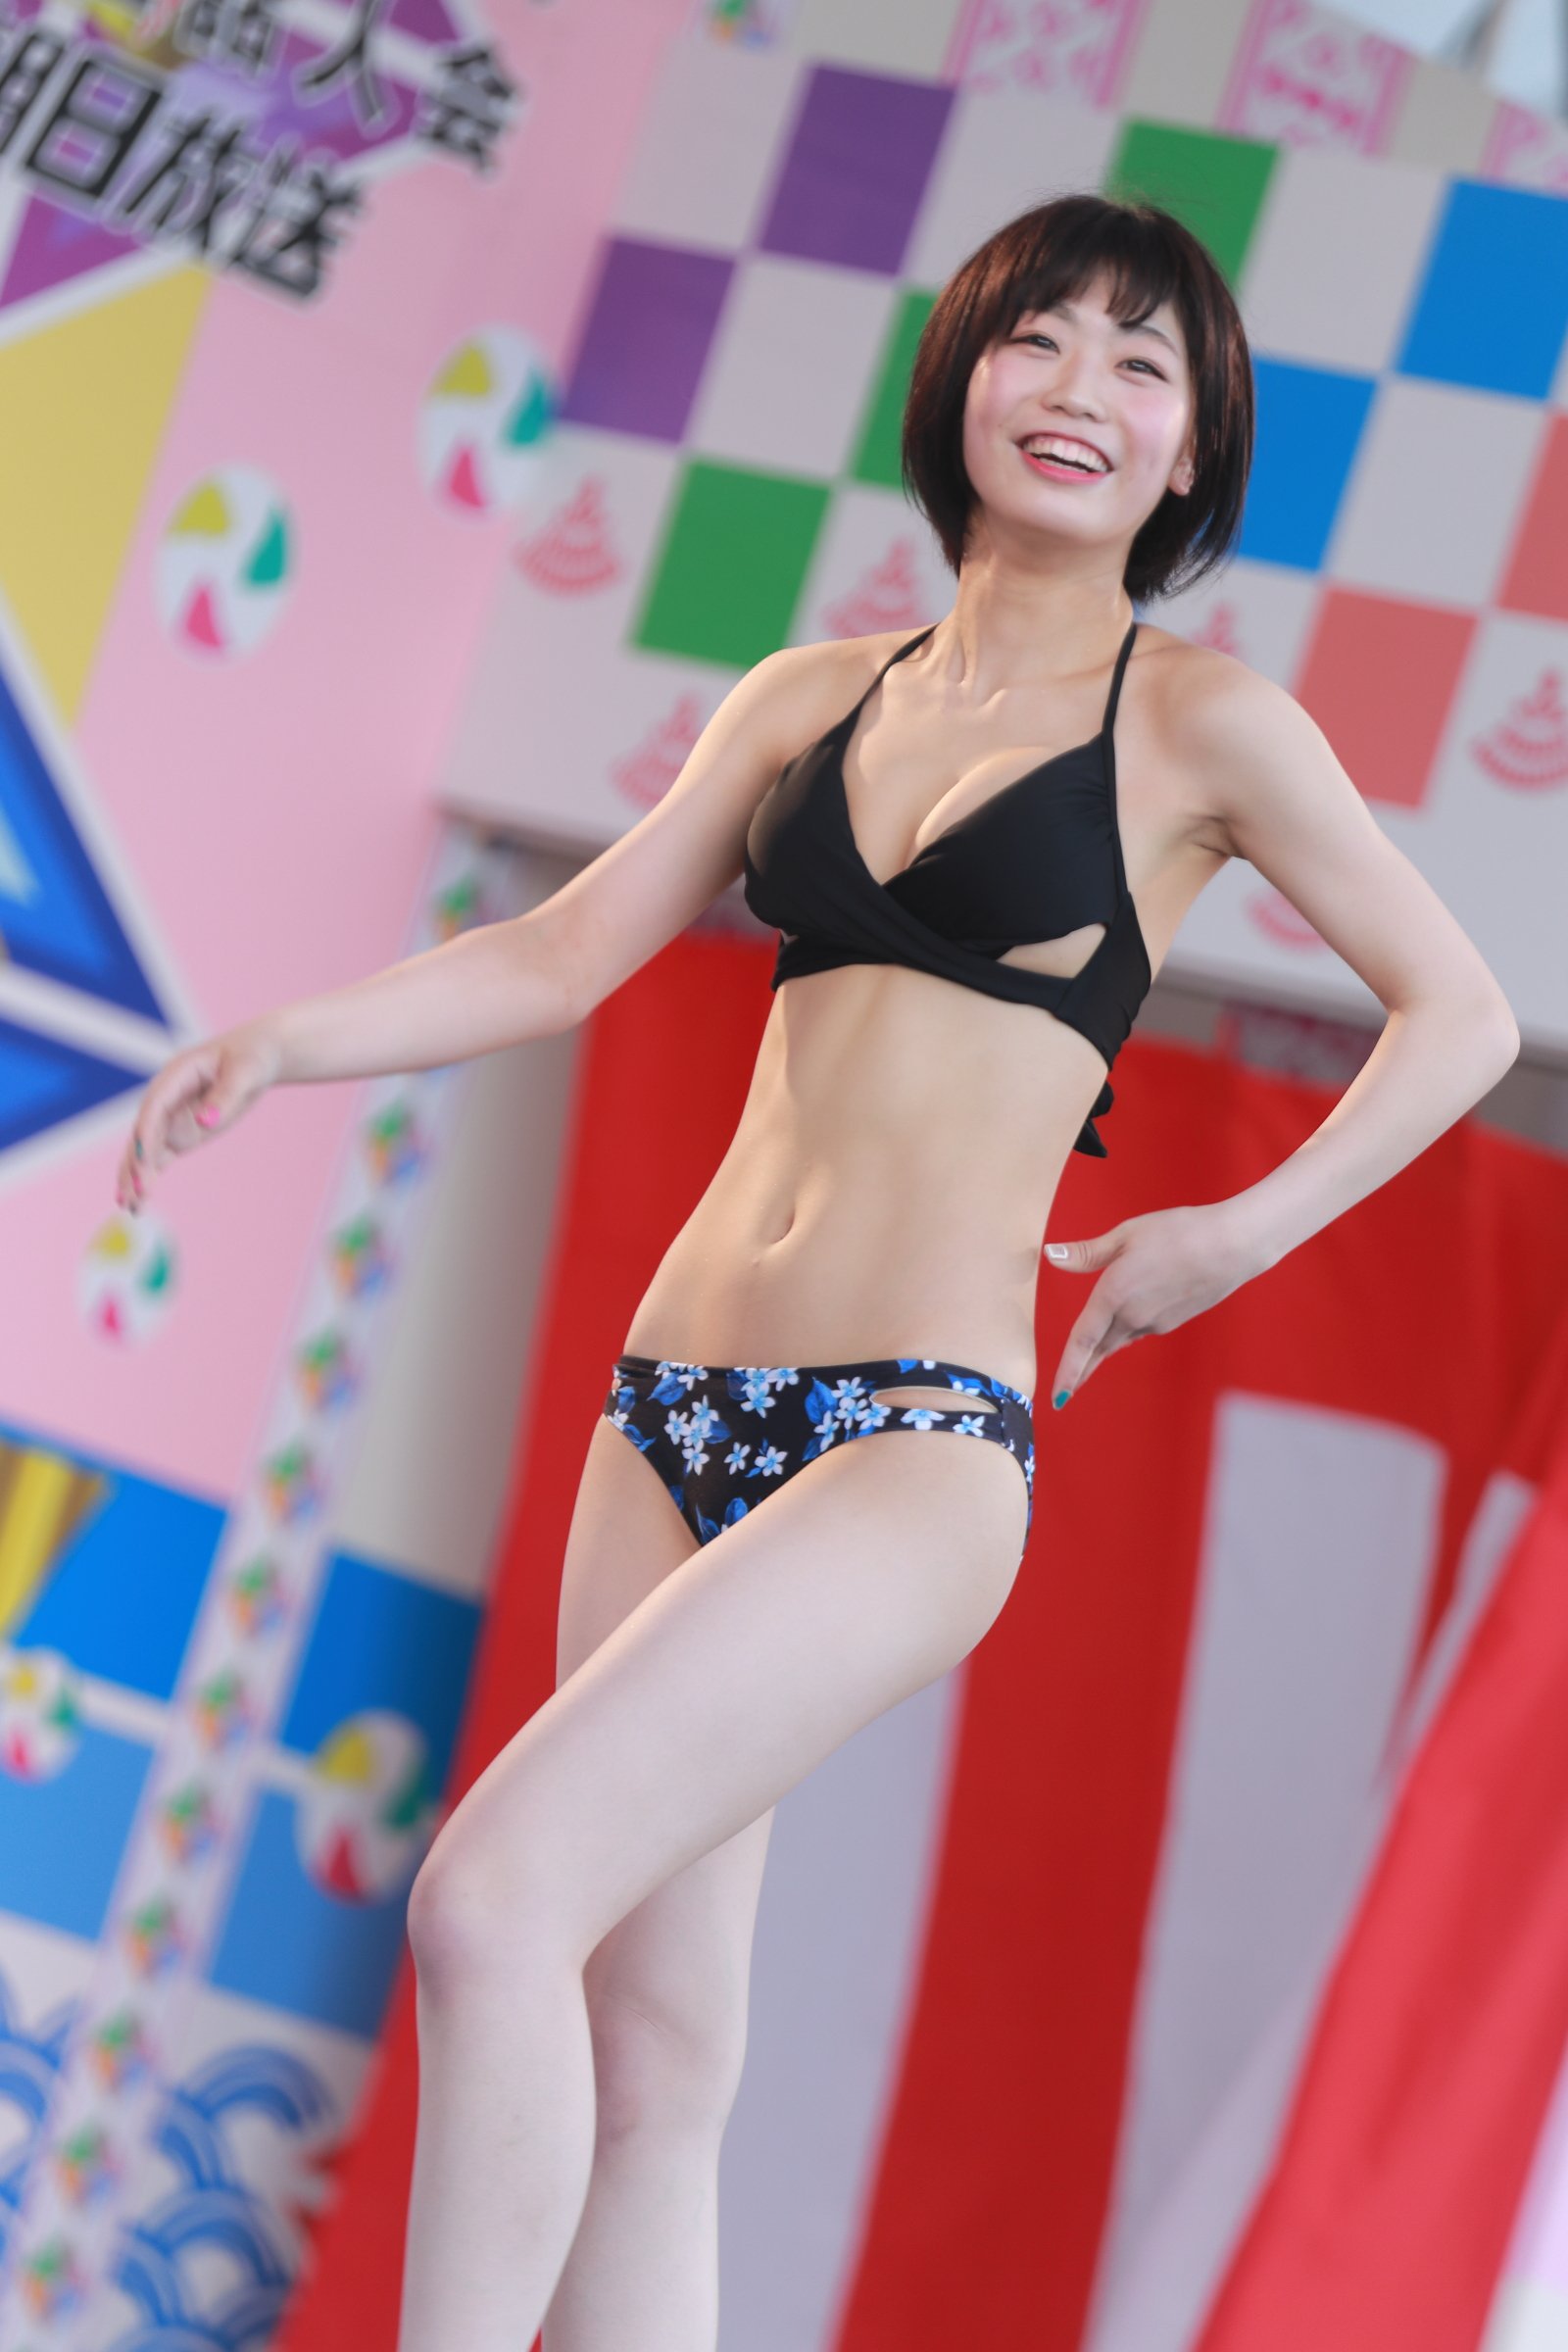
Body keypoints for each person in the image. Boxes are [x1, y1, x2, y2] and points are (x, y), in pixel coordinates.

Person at [115, 193, 1520, 2352]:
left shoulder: (1201, 727)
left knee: (490, 1900)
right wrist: (286, 1039)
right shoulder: (807, 693)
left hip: (912, 1435)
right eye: (1039, 338)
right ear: (960, 378)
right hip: (670, 1408)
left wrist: (1229, 1233)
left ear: (1189, 455)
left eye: (1140, 364)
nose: (1079, 388)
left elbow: (1462, 1014)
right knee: (659, 2059)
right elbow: (563, 949)